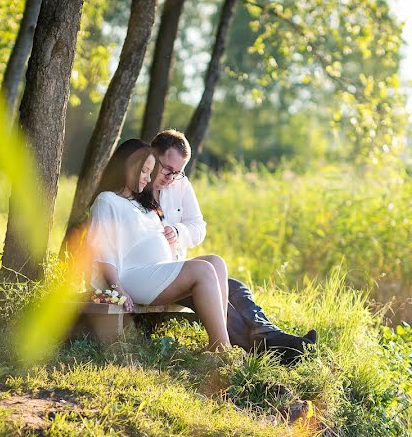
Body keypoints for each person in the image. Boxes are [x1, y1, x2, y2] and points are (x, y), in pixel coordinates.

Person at [148, 129, 316, 362]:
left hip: (178, 268)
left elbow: (198, 227)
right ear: (153, 156)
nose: (170, 178)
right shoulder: (137, 187)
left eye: (177, 172)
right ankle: (276, 350)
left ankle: (270, 337)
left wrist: (179, 231)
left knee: (235, 288)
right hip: (156, 276)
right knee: (216, 297)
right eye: (167, 169)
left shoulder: (180, 185)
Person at [86, 138, 231, 351]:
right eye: (143, 171)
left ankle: (221, 338)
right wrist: (119, 290)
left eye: (150, 172)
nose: (147, 178)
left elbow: (195, 226)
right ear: (127, 166)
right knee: (202, 270)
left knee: (216, 263)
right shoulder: (107, 201)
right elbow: (103, 253)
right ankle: (222, 349)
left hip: (155, 273)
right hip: (130, 277)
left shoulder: (142, 204)